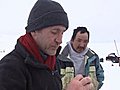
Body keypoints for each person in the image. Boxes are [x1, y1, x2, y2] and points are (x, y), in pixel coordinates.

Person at [0, 0, 93, 90]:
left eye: (62, 33)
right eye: (54, 32)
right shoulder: (10, 69)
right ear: (34, 31)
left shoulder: (53, 63)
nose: (60, 40)